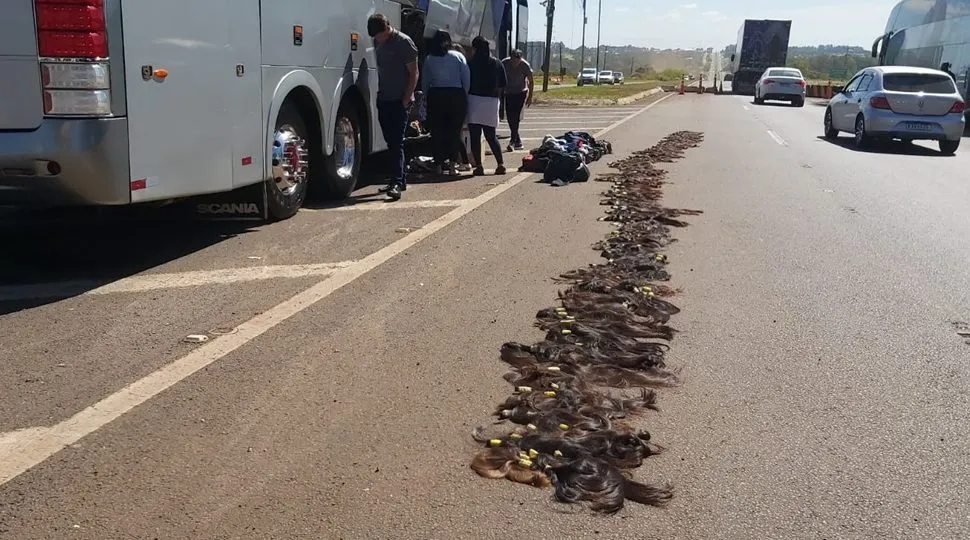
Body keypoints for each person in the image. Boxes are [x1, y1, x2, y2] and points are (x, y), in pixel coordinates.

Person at [368, 13, 419, 201]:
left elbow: (414, 73)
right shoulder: (377, 42)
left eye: (380, 36)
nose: (378, 40)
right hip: (384, 98)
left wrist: (406, 99)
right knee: (390, 142)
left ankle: (396, 182)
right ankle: (399, 180)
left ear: (387, 28)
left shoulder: (404, 43)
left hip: (399, 100)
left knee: (397, 142)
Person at [421, 30, 470, 176]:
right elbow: (466, 78)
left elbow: (425, 81)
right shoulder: (458, 56)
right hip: (455, 95)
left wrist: (426, 96)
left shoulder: (429, 58)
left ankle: (438, 165)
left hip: (436, 95)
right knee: (454, 132)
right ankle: (453, 166)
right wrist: (464, 95)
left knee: (437, 131)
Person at [466, 36, 506, 176]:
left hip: (474, 101)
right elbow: (503, 84)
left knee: (475, 136)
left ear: (475, 48)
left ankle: (479, 166)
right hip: (492, 102)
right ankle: (500, 164)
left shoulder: (470, 63)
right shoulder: (497, 63)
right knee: (491, 135)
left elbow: (466, 82)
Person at [501, 49, 534, 152]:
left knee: (516, 116)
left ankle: (512, 141)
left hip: (521, 92)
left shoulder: (525, 65)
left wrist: (530, 97)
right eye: (513, 60)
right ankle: (517, 139)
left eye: (517, 60)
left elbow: (531, 81)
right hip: (509, 92)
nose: (515, 63)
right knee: (510, 117)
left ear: (520, 59)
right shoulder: (504, 63)